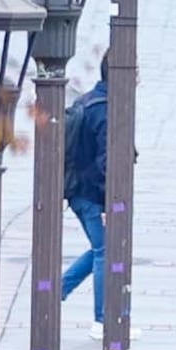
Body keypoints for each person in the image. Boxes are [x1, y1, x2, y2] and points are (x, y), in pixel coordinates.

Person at [59, 68, 111, 315]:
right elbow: (106, 162)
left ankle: (56, 291)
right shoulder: (105, 109)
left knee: (101, 248)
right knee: (105, 252)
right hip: (91, 195)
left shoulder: (86, 100)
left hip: (76, 190)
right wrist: (108, 203)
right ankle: (103, 320)